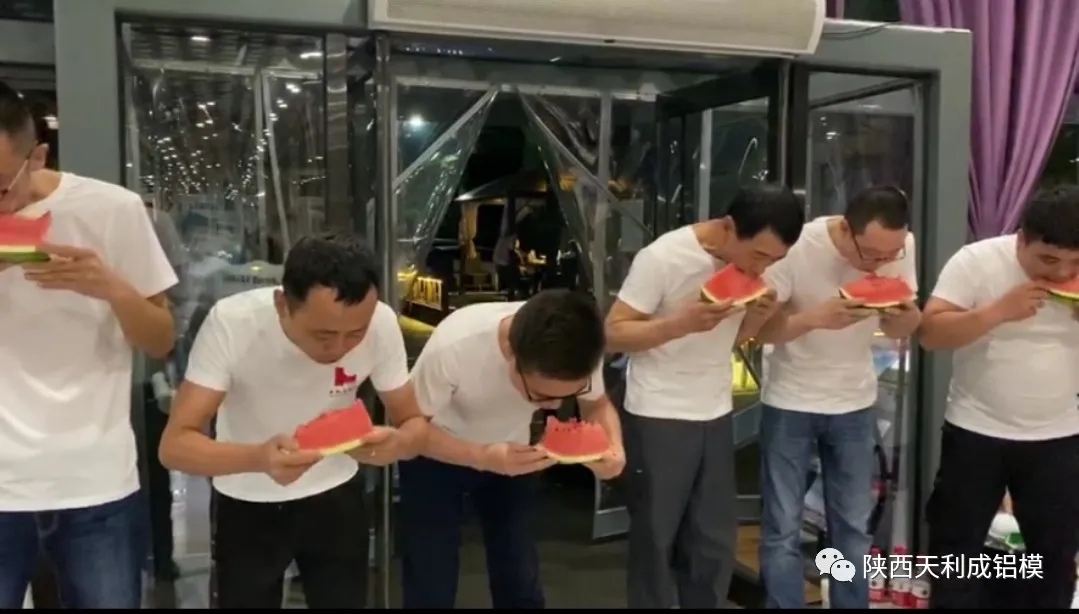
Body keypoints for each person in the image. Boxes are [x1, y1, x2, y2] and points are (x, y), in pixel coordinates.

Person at [158, 234, 428, 608]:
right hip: (247, 500)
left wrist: (400, 444)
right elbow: (175, 446)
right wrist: (258, 458)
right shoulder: (232, 323)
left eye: (355, 334)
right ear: (282, 304)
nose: (340, 349)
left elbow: (414, 423)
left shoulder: (380, 323)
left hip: (338, 496)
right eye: (323, 335)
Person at [0, 81, 179, 608]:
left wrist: (112, 288)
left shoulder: (112, 210)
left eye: (0, 189)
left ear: (36, 157)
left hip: (95, 482)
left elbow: (161, 340)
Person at [605, 182, 805, 609]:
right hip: (657, 411)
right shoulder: (662, 258)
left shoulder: (756, 267)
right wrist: (680, 323)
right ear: (729, 227)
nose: (762, 267)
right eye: (758, 255)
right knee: (656, 538)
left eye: (774, 261)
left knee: (713, 540)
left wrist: (758, 317)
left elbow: (736, 339)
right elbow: (614, 333)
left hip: (714, 410)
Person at [398, 288, 626, 608]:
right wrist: (481, 457)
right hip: (435, 452)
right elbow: (409, 427)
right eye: (540, 396)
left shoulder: (580, 344)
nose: (555, 406)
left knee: (518, 569)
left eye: (567, 395)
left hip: (513, 455)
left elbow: (596, 404)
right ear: (510, 354)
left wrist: (614, 447)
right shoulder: (455, 347)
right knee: (431, 574)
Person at [753, 186, 921, 608]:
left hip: (855, 403)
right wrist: (814, 318)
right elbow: (759, 332)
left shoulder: (899, 246)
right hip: (789, 401)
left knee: (853, 529)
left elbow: (904, 328)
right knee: (782, 527)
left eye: (891, 255)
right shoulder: (797, 247)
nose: (880, 263)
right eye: (870, 254)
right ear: (845, 229)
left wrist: (902, 315)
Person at [918, 186, 1079, 609]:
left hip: (1059, 435)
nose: (1062, 273)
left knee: (1056, 558)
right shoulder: (976, 261)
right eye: (1049, 260)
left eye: (1075, 264)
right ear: (1021, 239)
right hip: (975, 430)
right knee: (955, 554)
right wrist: (996, 312)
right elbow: (930, 334)